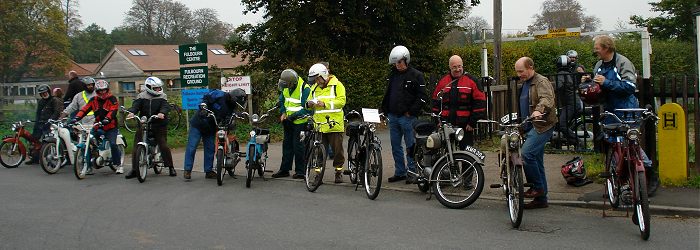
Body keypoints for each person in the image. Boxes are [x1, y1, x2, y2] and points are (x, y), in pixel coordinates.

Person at [581, 35, 658, 195]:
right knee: (613, 144)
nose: (595, 51)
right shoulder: (598, 66)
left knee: (631, 144)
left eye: (597, 48)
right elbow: (598, 89)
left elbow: (630, 86)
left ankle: (649, 177)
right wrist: (589, 83)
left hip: (626, 111)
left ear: (606, 47)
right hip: (609, 111)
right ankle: (618, 181)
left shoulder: (622, 62)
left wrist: (606, 83)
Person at [514, 57, 558, 209]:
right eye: (517, 72)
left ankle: (537, 187)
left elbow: (547, 98)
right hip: (530, 126)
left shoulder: (541, 81)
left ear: (530, 67)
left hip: (542, 125)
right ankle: (541, 199)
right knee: (537, 161)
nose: (519, 75)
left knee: (526, 154)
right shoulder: (525, 83)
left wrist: (539, 110)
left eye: (521, 71)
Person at [381, 45, 428, 183]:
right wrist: (384, 109)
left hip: (407, 117)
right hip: (393, 116)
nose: (398, 65)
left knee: (410, 146)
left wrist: (411, 112)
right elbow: (389, 93)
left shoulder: (416, 75)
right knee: (395, 146)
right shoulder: (392, 75)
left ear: (406, 60)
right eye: (396, 63)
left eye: (400, 62)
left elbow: (422, 97)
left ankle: (412, 171)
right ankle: (400, 171)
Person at [183, 88, 246, 180]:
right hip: (199, 124)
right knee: (192, 147)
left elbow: (230, 116)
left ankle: (208, 171)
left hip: (211, 127)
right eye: (236, 102)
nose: (235, 104)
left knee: (210, 149)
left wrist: (238, 116)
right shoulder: (219, 94)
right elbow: (206, 98)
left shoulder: (232, 106)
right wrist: (203, 107)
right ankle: (187, 170)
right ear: (232, 97)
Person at [125, 77, 176, 179]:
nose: (158, 90)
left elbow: (165, 106)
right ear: (149, 87)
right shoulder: (141, 96)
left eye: (159, 88)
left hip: (158, 123)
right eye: (155, 88)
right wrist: (131, 113)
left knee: (163, 144)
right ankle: (135, 169)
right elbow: (136, 106)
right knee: (136, 145)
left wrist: (162, 113)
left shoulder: (163, 96)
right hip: (144, 123)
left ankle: (170, 167)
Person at [432, 55, 486, 148]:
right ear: (450, 67)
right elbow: (436, 102)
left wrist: (472, 122)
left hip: (465, 126)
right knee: (447, 153)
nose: (457, 69)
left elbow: (480, 103)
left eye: (459, 66)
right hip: (446, 124)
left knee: (466, 153)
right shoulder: (443, 82)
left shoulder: (472, 81)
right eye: (454, 67)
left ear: (462, 66)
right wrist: (437, 120)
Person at [306, 63, 347, 183]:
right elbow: (308, 102)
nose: (317, 81)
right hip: (319, 125)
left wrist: (325, 104)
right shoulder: (314, 88)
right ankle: (318, 175)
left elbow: (341, 101)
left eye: (318, 78)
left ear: (323, 75)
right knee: (318, 151)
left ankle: (338, 171)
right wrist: (309, 104)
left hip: (334, 124)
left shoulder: (337, 85)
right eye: (315, 79)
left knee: (337, 151)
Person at [71, 80, 123, 174]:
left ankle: (118, 165)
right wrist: (77, 118)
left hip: (111, 126)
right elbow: (84, 109)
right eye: (100, 90)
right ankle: (89, 166)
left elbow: (113, 110)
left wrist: (107, 119)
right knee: (89, 142)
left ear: (107, 90)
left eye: (104, 90)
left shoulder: (112, 99)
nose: (102, 92)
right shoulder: (93, 100)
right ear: (97, 91)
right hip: (97, 125)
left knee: (113, 144)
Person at [273, 69, 310, 179]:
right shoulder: (285, 86)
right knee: (287, 145)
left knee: (298, 146)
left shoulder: (305, 88)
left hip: (300, 121)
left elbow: (308, 109)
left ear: (292, 83)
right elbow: (282, 100)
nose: (285, 87)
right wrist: (283, 112)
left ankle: (301, 171)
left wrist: (293, 116)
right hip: (288, 120)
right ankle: (284, 169)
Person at [26, 85, 64, 165]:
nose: (44, 94)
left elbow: (56, 112)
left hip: (51, 123)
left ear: (48, 92)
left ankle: (53, 157)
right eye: (42, 93)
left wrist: (51, 120)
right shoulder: (40, 102)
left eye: (45, 92)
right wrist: (36, 122)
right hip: (41, 122)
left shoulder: (54, 100)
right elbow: (38, 113)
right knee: (34, 139)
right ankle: (35, 158)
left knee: (48, 140)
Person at [554, 55, 583, 147]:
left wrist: (551, 89)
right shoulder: (569, 74)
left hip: (570, 104)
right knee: (560, 123)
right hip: (573, 103)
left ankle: (578, 142)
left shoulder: (561, 74)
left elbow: (559, 86)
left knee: (562, 125)